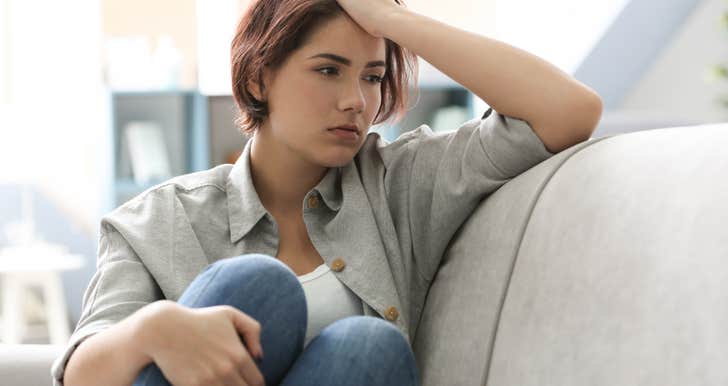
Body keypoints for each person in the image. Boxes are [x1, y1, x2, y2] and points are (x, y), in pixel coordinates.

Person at [52, 0, 603, 385]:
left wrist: (391, 19)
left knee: (370, 347)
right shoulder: (159, 220)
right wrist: (152, 329)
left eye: (370, 76)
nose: (356, 102)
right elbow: (80, 375)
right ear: (256, 80)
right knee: (257, 287)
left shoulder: (398, 186)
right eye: (328, 70)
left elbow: (568, 113)